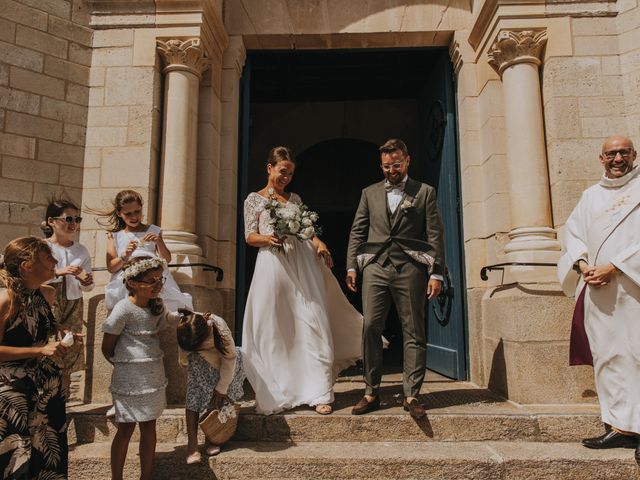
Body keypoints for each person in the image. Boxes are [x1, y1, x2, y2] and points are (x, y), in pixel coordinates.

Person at [241, 146, 363, 415]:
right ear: (269, 168)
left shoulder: (294, 198)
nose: (287, 177)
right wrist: (268, 239)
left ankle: (319, 391)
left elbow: (306, 230)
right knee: (277, 326)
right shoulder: (254, 199)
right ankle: (281, 391)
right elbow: (249, 236)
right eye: (283, 171)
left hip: (303, 263)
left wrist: (320, 243)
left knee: (312, 320)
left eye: (291, 173)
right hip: (273, 264)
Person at [346, 138, 445, 419]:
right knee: (370, 327)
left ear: (407, 161)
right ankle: (370, 391)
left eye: (397, 165)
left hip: (410, 269)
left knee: (413, 330)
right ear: (381, 165)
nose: (392, 170)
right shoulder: (369, 193)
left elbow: (435, 234)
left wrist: (436, 271)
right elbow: (358, 231)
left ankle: (412, 394)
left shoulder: (425, 192)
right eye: (387, 166)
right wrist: (352, 266)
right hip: (375, 267)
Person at [557, 135, 640, 461]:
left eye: (623, 152)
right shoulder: (590, 196)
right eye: (610, 154)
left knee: (637, 355)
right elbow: (572, 234)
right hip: (598, 289)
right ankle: (621, 427)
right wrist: (582, 265)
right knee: (609, 357)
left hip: (632, 287)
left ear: (634, 154)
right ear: (600, 158)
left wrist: (615, 267)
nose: (617, 158)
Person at [101, 256, 182, 480]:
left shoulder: (157, 305)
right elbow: (107, 347)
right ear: (133, 283)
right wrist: (126, 365)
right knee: (125, 429)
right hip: (129, 379)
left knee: (149, 427)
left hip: (153, 375)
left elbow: (167, 319)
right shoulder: (123, 309)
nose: (158, 284)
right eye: (151, 280)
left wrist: (182, 318)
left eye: (160, 279)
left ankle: (146, 476)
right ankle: (116, 477)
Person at [0, 237, 69, 478]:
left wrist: (62, 332)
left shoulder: (46, 294)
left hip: (46, 393)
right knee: (15, 463)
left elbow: (38, 329)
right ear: (27, 265)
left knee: (48, 461)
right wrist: (38, 351)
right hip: (13, 395)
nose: (56, 261)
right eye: (48, 256)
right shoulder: (6, 300)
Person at [96, 189, 193, 313]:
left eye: (137, 211)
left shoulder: (154, 230)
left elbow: (167, 259)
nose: (134, 216)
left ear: (142, 208)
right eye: (128, 213)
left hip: (154, 273)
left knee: (163, 307)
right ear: (120, 213)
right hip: (129, 275)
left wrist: (158, 242)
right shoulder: (115, 236)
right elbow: (111, 267)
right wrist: (125, 255)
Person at [177, 309, 245, 464]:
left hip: (224, 364)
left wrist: (222, 387)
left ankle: (212, 438)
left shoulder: (219, 327)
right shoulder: (187, 324)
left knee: (216, 397)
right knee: (193, 397)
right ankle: (192, 445)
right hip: (198, 361)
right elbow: (169, 317)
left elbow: (230, 358)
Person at [42, 197, 94, 394]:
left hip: (74, 301)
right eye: (68, 219)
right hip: (49, 301)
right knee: (48, 347)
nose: (73, 224)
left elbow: (88, 287)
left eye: (77, 219)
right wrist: (59, 272)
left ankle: (61, 405)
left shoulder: (81, 250)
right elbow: (32, 279)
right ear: (51, 221)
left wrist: (85, 281)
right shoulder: (42, 247)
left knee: (69, 348)